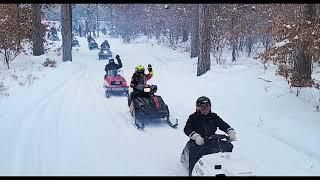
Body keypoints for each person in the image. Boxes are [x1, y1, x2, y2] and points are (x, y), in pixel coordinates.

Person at [183, 96, 237, 176]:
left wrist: (230, 131)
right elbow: (187, 129)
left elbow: (222, 124)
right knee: (194, 152)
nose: (205, 109)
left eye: (207, 107)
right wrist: (196, 136)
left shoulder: (213, 116)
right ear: (198, 108)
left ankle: (226, 167)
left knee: (228, 146)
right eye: (203, 107)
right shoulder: (193, 117)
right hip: (198, 141)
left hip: (212, 139)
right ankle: (192, 172)